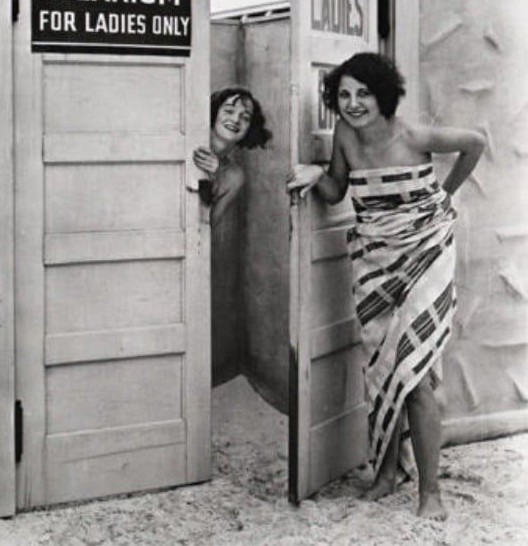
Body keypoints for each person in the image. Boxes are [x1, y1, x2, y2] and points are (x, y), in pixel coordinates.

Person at [286, 52, 485, 520]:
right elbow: (337, 189)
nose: (353, 103)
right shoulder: (345, 134)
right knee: (381, 367)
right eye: (344, 94)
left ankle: (431, 494)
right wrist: (316, 174)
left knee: (413, 372)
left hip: (427, 253)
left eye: (364, 93)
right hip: (374, 259)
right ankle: (387, 474)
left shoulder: (413, 135)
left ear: (384, 96)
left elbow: (475, 143)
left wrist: (445, 194)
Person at [193, 86, 272, 226]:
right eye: (229, 111)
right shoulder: (190, 145)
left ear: (250, 128)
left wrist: (214, 179)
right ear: (214, 112)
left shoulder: (235, 177)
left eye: (245, 117)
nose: (236, 120)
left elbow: (207, 226)